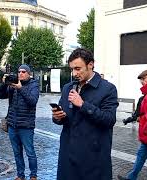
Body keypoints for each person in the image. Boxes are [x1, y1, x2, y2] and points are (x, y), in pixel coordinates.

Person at [52, 48, 119, 180]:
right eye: (71, 69)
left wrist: (83, 105)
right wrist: (57, 117)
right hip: (68, 155)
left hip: (93, 158)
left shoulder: (108, 89)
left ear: (90, 65)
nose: (74, 73)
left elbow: (109, 120)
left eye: (78, 68)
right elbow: (65, 117)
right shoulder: (68, 88)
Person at [0, 64, 39, 180]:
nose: (20, 73)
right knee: (17, 152)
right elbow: (0, 95)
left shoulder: (33, 84)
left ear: (29, 74)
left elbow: (32, 101)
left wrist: (20, 88)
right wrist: (4, 83)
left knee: (30, 152)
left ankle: (33, 175)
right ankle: (20, 175)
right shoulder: (12, 84)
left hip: (26, 126)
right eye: (19, 71)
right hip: (12, 125)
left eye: (24, 72)